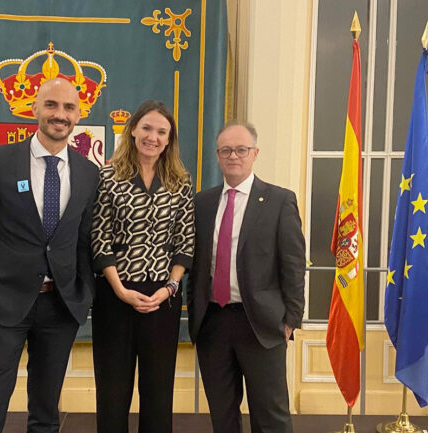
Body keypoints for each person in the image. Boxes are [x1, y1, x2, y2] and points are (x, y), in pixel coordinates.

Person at [0, 77, 99, 433]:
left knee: (46, 414)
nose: (60, 114)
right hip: (1, 303)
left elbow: (84, 242)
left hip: (60, 307)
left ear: (79, 115)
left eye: (68, 107)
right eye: (51, 105)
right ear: (34, 109)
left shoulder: (89, 173)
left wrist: (83, 295)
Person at [187, 121, 305, 433]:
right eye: (226, 150)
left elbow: (293, 264)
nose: (233, 156)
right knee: (222, 416)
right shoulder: (202, 203)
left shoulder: (279, 201)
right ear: (217, 155)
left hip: (262, 325)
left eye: (241, 149)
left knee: (270, 417)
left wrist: (291, 320)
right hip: (213, 324)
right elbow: (196, 264)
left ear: (255, 153)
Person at [91, 100, 194, 433]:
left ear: (169, 139)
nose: (153, 137)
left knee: (158, 392)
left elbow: (185, 242)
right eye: (147, 128)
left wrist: (169, 288)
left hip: (163, 298)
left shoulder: (180, 181)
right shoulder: (107, 176)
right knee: (112, 392)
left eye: (162, 132)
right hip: (115, 295)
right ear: (133, 130)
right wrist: (121, 291)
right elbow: (99, 240)